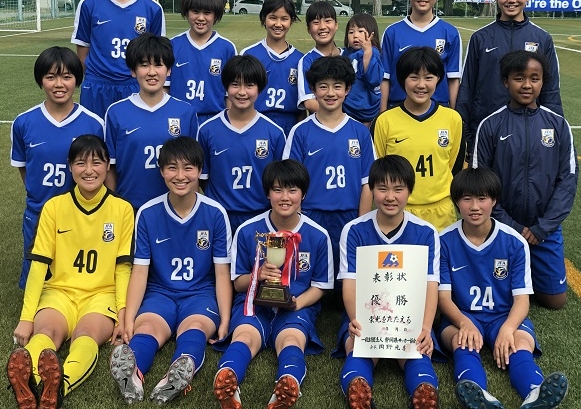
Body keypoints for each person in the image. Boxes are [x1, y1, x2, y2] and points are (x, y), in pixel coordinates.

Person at [7, 135, 134, 409]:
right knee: (47, 332)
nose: (89, 170)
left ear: (107, 166)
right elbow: (39, 265)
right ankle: (27, 383)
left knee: (85, 335)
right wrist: (26, 318)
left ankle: (58, 386)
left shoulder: (122, 210)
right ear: (70, 167)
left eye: (97, 163)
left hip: (101, 296)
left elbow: (123, 269)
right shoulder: (54, 207)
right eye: (81, 163)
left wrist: (122, 315)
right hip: (59, 293)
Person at [110, 137, 232, 405]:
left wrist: (224, 319)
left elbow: (222, 273)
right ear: (161, 170)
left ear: (200, 171)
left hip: (200, 294)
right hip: (160, 292)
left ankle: (177, 373)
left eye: (188, 168)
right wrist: (129, 319)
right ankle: (132, 373)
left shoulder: (215, 213)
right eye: (172, 168)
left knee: (196, 327)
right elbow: (140, 272)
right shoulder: (148, 212)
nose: (180, 176)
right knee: (147, 328)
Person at [439, 167, 569, 409]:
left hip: (503, 315)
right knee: (461, 342)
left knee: (519, 343)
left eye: (482, 198)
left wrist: (508, 328)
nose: (475, 206)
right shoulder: (443, 241)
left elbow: (521, 300)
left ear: (494, 200)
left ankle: (535, 394)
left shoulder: (514, 242)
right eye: (467, 199)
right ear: (457, 202)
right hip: (462, 317)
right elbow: (443, 297)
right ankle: (478, 396)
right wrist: (464, 322)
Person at [212, 159, 333, 409]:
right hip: (255, 303)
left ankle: (287, 385)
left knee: (291, 340)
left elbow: (320, 285)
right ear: (267, 193)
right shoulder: (248, 231)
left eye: (292, 190)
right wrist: (258, 275)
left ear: (303, 194)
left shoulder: (318, 235)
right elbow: (238, 283)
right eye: (277, 190)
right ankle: (227, 381)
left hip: (296, 305)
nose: (285, 197)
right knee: (244, 336)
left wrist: (298, 302)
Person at [472, 50, 578, 310]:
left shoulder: (558, 125)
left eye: (535, 78)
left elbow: (568, 180)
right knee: (499, 298)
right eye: (519, 78)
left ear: (543, 82)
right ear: (505, 81)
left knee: (554, 301)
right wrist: (511, 226)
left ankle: (534, 265)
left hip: (544, 230)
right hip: (501, 227)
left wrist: (543, 227)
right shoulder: (491, 125)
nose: (527, 85)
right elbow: (479, 183)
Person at [335, 155, 441, 409]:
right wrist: (357, 321)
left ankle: (423, 393)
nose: (390, 196)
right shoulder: (354, 230)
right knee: (357, 344)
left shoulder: (426, 232)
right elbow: (350, 283)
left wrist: (425, 328)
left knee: (417, 348)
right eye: (382, 188)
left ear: (410, 191)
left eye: (398, 189)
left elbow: (430, 284)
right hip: (367, 313)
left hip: (409, 316)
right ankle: (358, 387)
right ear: (371, 190)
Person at [11, 47, 104, 289]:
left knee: (77, 277)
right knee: (38, 281)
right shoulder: (23, 122)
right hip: (39, 211)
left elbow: (100, 171)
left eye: (67, 77)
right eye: (51, 77)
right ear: (40, 80)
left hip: (81, 212)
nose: (59, 84)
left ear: (77, 80)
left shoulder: (94, 123)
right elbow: (24, 168)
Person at [284, 56, 375, 278]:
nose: (330, 93)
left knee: (348, 278)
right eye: (323, 87)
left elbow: (367, 183)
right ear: (313, 90)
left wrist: (360, 223)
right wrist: (298, 219)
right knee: (310, 276)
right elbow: (291, 183)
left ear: (348, 89)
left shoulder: (360, 132)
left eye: (337, 86)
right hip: (312, 215)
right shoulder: (300, 132)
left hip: (350, 214)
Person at [457, 0, 563, 152]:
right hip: (487, 129)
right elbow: (467, 87)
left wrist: (554, 131)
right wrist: (465, 133)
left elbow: (551, 90)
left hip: (530, 130)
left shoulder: (542, 39)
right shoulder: (480, 38)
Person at [71, 0, 165, 119]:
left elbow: (157, 54)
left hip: (135, 86)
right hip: (97, 86)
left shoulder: (152, 9)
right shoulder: (89, 4)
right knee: (94, 143)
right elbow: (82, 52)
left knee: (131, 142)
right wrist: (92, 78)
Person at [104, 32, 198, 210]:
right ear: (133, 71)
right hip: (129, 208)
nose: (152, 72)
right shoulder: (116, 112)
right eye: (144, 65)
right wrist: (114, 208)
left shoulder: (185, 112)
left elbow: (192, 168)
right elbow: (110, 168)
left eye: (159, 65)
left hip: (173, 208)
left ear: (169, 70)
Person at [373, 46, 463, 231]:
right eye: (414, 77)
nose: (421, 85)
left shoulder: (452, 119)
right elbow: (378, 169)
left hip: (442, 212)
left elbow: (453, 164)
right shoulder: (385, 121)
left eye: (428, 77)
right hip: (399, 212)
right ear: (402, 79)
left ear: (438, 79)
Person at [197, 55, 286, 233]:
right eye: (235, 84)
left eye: (249, 85)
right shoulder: (207, 130)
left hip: (262, 217)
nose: (242, 92)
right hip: (220, 217)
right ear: (226, 87)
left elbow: (280, 181)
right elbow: (203, 179)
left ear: (259, 89)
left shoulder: (274, 132)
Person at [380, 0, 462, 111]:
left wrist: (456, 117)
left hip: (438, 111)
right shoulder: (392, 32)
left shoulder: (450, 33)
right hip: (398, 110)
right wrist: (382, 114)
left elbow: (453, 78)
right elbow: (384, 78)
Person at [168, 0, 237, 125]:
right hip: (179, 120)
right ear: (186, 12)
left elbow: (231, 94)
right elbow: (164, 88)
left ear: (216, 14)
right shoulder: (172, 45)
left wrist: (229, 125)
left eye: (207, 12)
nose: (200, 18)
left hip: (215, 120)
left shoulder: (227, 48)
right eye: (195, 11)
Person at [241, 0, 304, 135]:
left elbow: (302, 108)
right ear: (264, 18)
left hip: (289, 123)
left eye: (284, 19)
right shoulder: (248, 54)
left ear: (292, 21)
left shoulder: (301, 59)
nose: (278, 24)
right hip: (255, 122)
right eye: (273, 18)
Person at [297, 1, 343, 114]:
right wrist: (338, 118)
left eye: (328, 21)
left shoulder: (349, 55)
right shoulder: (307, 61)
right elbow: (309, 102)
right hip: (322, 125)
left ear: (336, 25)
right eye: (316, 22)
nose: (322, 27)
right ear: (308, 29)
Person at [342, 13, 384, 125]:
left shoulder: (372, 53)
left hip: (363, 109)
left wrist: (367, 53)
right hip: (348, 108)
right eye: (351, 32)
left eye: (361, 31)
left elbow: (374, 80)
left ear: (371, 35)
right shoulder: (347, 53)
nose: (355, 36)